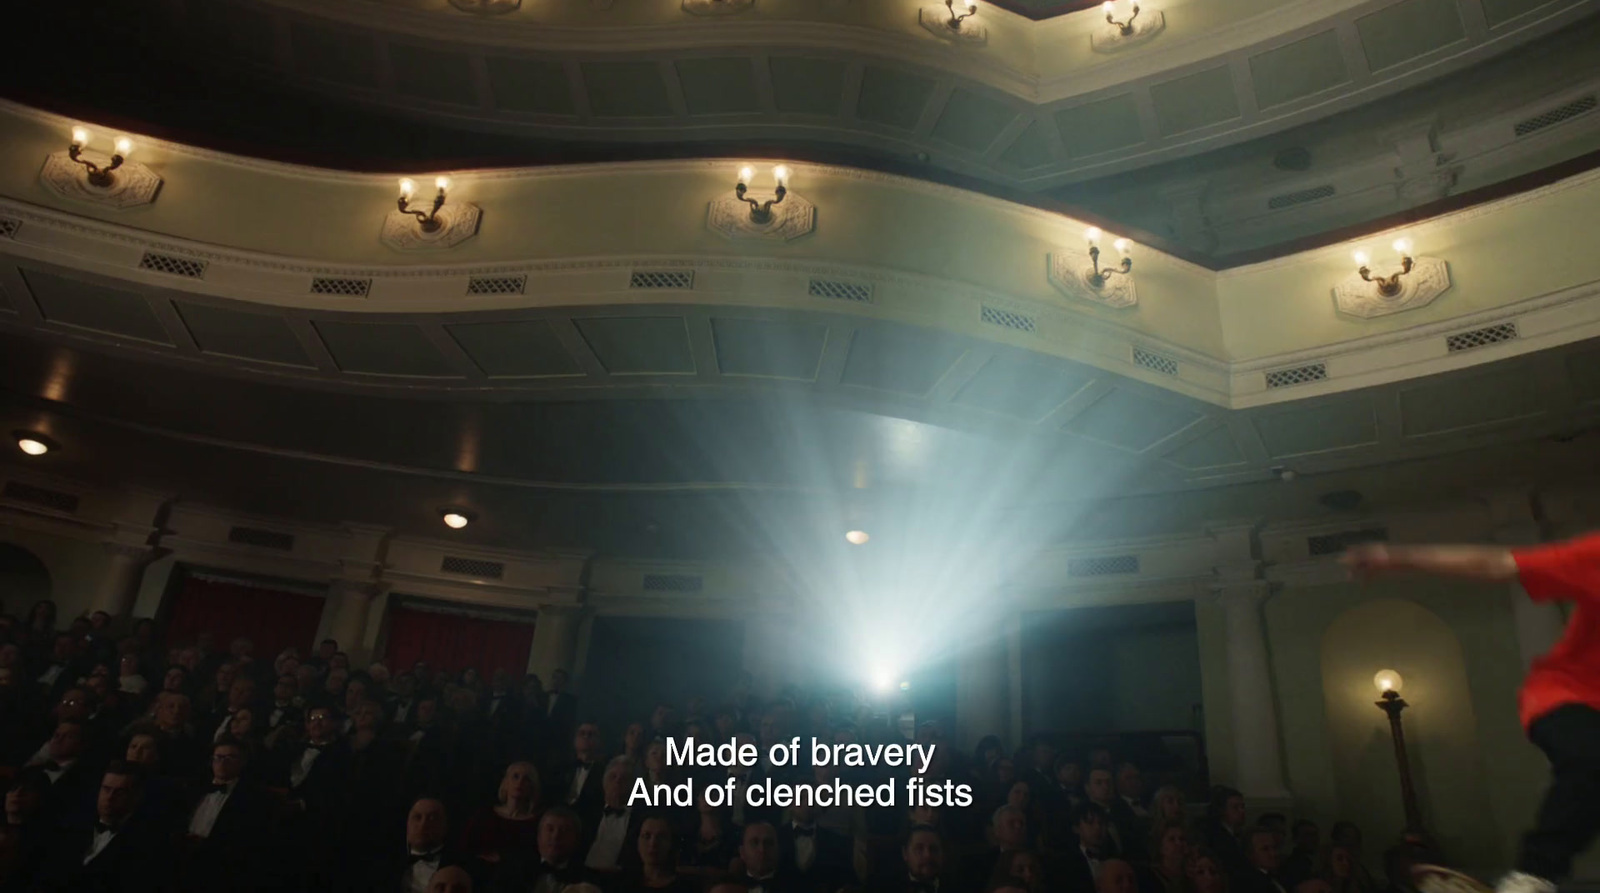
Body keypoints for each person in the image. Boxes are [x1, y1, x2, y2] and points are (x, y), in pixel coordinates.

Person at [1344, 535, 1600, 893]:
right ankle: (1532, 877)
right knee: (1592, 757)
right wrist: (1397, 557)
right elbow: (1499, 564)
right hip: (1568, 697)